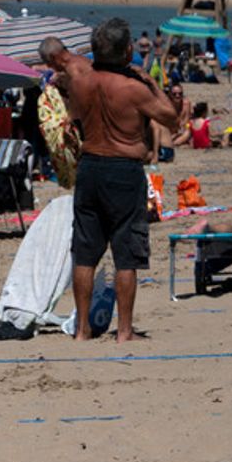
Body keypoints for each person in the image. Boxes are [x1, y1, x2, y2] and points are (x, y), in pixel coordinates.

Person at [66, 18, 180, 343]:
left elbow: (75, 118)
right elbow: (171, 117)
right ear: (128, 50)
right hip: (123, 168)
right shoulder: (134, 87)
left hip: (89, 166)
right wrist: (151, 81)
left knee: (85, 252)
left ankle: (82, 329)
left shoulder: (81, 82)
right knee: (125, 253)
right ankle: (125, 330)